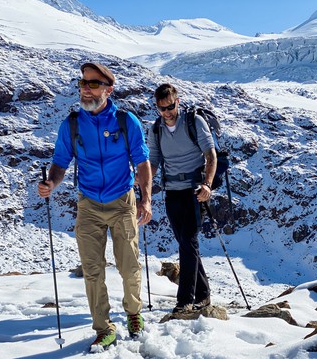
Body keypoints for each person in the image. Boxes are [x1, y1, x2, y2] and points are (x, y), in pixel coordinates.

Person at [38, 62, 152, 352]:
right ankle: (103, 328)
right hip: (88, 204)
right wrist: (51, 183)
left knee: (128, 266)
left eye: (92, 84)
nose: (85, 89)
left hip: (122, 201)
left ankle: (133, 313)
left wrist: (146, 198)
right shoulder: (73, 124)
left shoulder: (126, 122)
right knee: (92, 270)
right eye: (82, 84)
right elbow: (61, 162)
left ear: (108, 89)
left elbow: (141, 162)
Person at [148, 83, 217, 313]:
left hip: (195, 190)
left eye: (169, 106)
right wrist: (143, 186)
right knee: (186, 244)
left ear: (177, 102)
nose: (166, 112)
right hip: (172, 192)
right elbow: (154, 162)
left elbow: (210, 155)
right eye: (161, 108)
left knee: (188, 241)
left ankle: (185, 300)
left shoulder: (194, 122)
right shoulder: (156, 129)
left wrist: (207, 185)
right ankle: (204, 294)